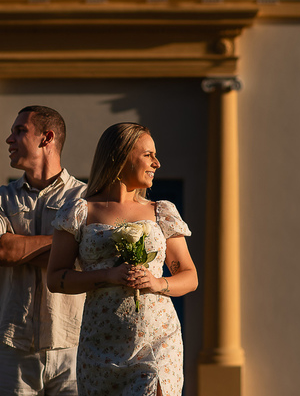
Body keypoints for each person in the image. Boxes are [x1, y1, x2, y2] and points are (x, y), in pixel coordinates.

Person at [46, 122, 198, 396]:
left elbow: (189, 276)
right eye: (148, 155)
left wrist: (156, 283)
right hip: (100, 345)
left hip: (157, 343)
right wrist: (105, 276)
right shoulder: (80, 211)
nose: (157, 163)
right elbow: (56, 278)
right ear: (121, 155)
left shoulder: (161, 211)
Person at [0, 105, 88, 396]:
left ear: (46, 138)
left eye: (19, 131)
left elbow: (89, 257)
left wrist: (16, 243)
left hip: (72, 347)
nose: (9, 140)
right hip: (11, 348)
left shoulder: (86, 199)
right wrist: (64, 245)